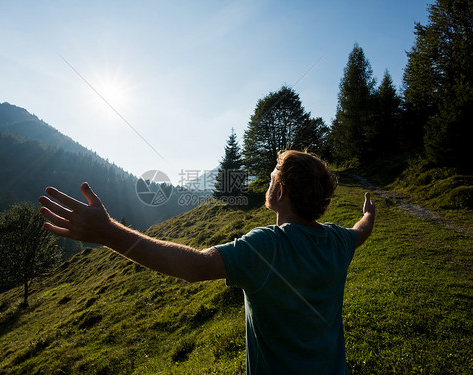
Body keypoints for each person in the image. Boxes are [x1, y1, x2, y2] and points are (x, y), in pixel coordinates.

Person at [39, 150, 375, 374]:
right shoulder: (336, 240)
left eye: (273, 175)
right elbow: (361, 231)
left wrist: (108, 232)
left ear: (281, 191)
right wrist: (368, 214)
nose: (269, 179)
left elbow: (196, 266)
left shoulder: (266, 246)